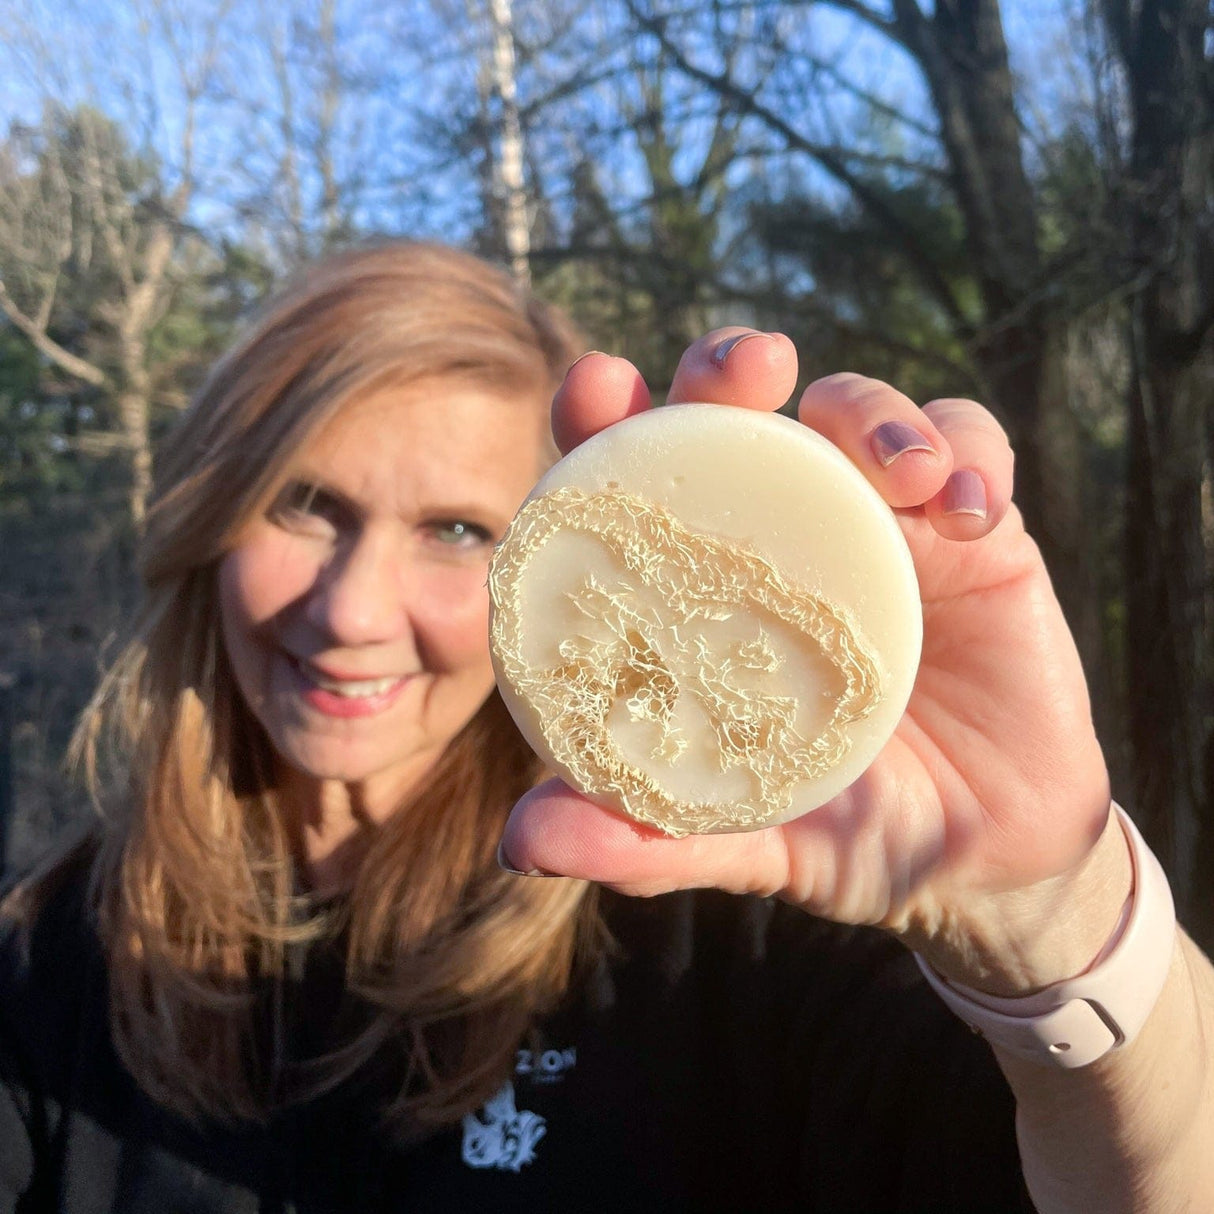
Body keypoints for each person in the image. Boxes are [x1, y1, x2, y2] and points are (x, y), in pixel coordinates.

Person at [0, 241, 1209, 1213]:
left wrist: (1046, 916)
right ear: (209, 513)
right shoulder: (50, 968)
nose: (352, 611)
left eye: (458, 531)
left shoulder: (725, 948)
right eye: (305, 503)